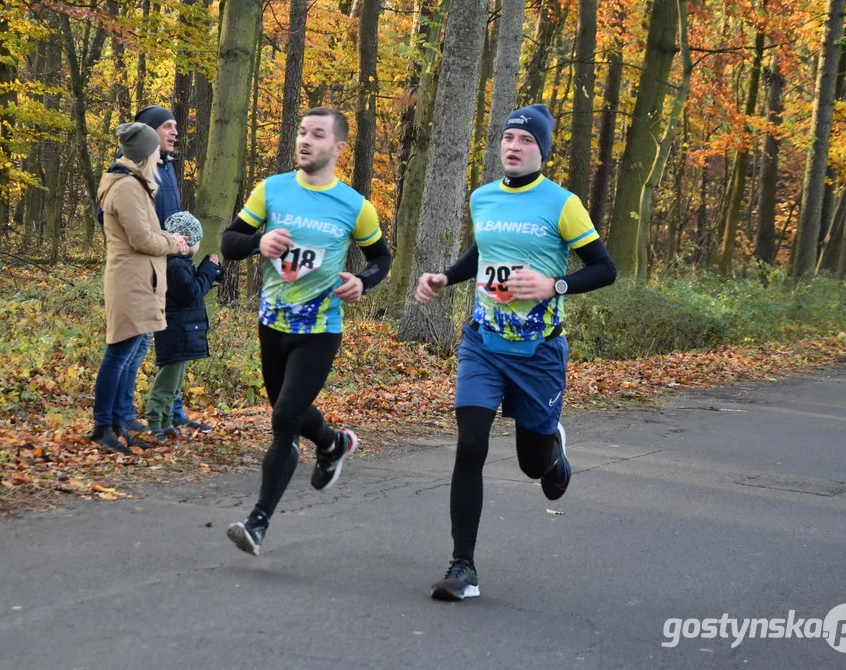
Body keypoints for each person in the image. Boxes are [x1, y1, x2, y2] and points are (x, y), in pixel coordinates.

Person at [413, 104, 617, 600]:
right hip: (482, 343)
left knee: (532, 465)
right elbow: (483, 252)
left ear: (542, 150)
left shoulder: (562, 204)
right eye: (508, 137)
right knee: (471, 444)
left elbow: (604, 268)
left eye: (526, 140)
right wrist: (445, 276)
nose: (513, 146)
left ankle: (553, 457)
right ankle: (463, 566)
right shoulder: (482, 198)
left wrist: (555, 284)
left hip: (539, 351)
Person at [219, 107, 392, 556]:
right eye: (301, 132)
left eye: (317, 135)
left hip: (320, 328)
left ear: (337, 148)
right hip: (271, 324)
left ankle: (257, 523)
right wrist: (258, 242)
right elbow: (228, 243)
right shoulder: (271, 190)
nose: (305, 140)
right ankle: (333, 443)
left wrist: (363, 281)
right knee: (287, 410)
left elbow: (381, 259)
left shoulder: (355, 205)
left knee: (283, 420)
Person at [114, 105, 214, 441]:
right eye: (167, 126)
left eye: (175, 125)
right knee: (138, 345)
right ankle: (124, 416)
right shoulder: (129, 170)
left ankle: (174, 413)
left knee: (177, 340)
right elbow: (111, 217)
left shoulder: (167, 167)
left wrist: (185, 249)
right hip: (147, 268)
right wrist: (155, 244)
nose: (175, 132)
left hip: (173, 263)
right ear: (147, 131)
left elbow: (174, 217)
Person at [90, 122, 189, 453]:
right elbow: (142, 238)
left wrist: (166, 240)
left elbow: (147, 233)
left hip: (140, 279)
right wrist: (173, 242)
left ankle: (117, 424)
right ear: (146, 153)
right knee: (118, 355)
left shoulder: (133, 183)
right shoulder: (128, 187)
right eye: (155, 150)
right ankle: (103, 426)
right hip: (131, 281)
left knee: (128, 353)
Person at [143, 212, 224, 443]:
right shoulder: (176, 265)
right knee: (167, 381)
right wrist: (207, 271)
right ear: (187, 242)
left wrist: (208, 276)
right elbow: (191, 294)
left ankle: (166, 421)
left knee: (175, 382)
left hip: (181, 330)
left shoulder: (179, 264)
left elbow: (192, 291)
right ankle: (155, 423)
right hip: (175, 331)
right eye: (198, 241)